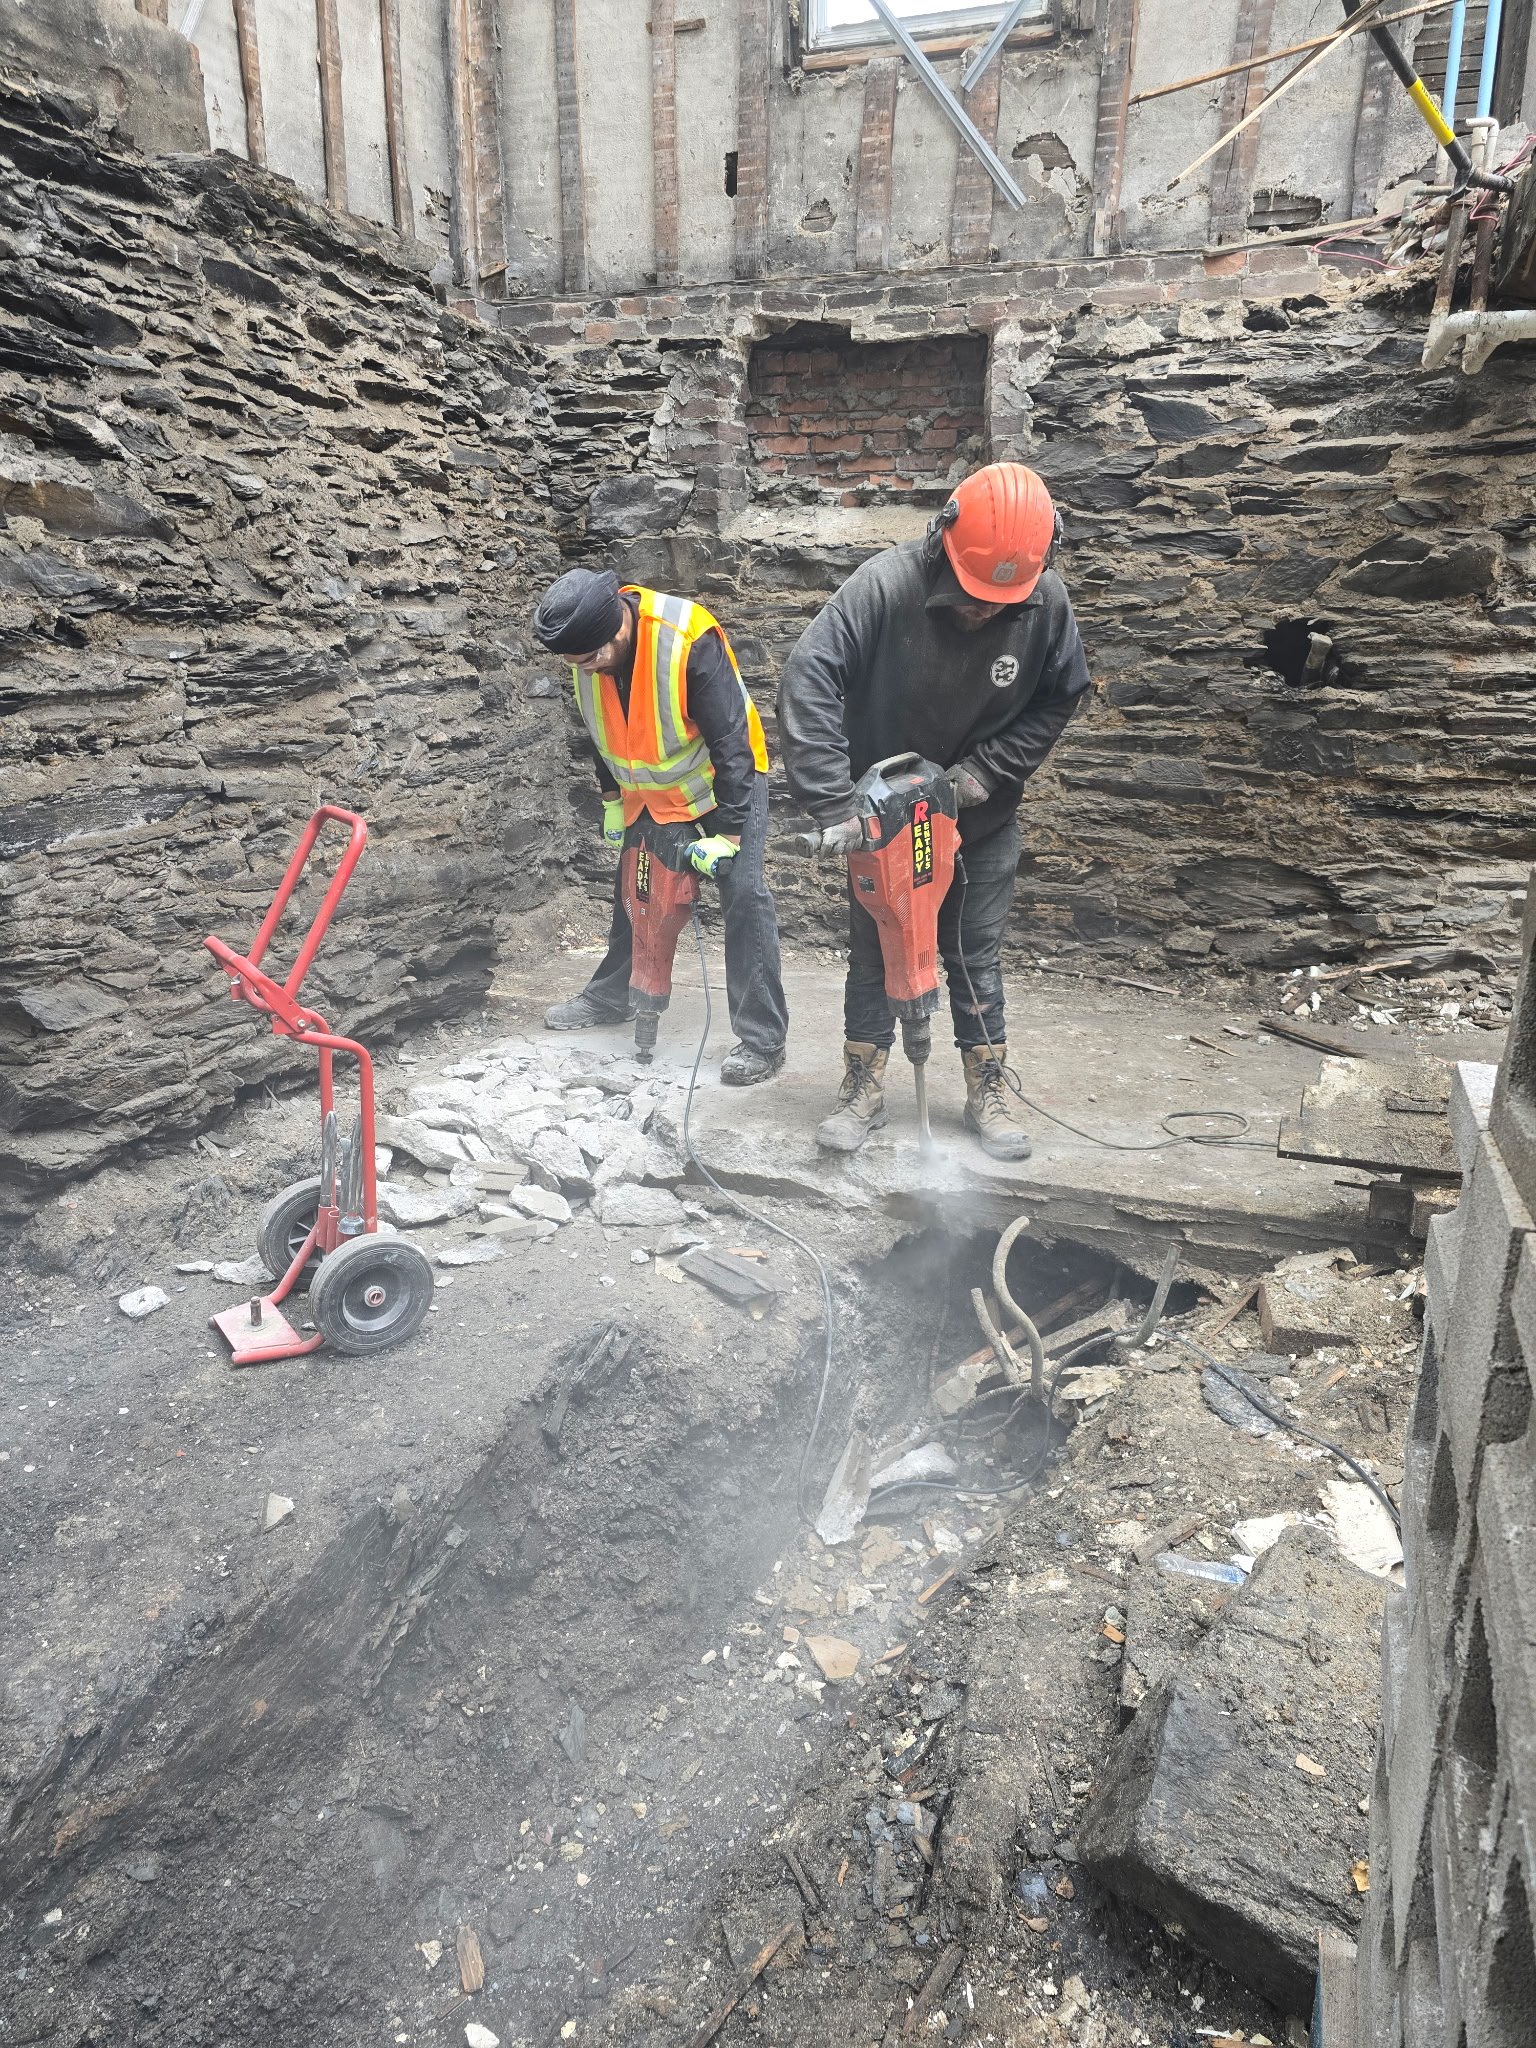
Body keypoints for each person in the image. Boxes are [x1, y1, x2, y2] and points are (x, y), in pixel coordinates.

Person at [778, 462, 1091, 1158]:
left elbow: (1060, 696)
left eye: (1001, 602)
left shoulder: (1045, 603)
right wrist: (835, 802)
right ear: (941, 541)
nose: (985, 611)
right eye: (975, 594)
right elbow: (809, 676)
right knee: (875, 954)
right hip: (886, 829)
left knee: (974, 956)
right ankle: (863, 1086)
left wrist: (987, 772)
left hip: (979, 822)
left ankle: (988, 1088)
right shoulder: (885, 587)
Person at [532, 567, 789, 1085]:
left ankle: (762, 1040)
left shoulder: (685, 638)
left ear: (618, 628)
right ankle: (612, 996)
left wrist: (729, 834)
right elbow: (603, 730)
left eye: (590, 658)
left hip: (719, 784)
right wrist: (611, 799)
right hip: (649, 791)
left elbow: (733, 742)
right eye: (576, 663)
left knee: (744, 893)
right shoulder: (588, 657)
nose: (585, 670)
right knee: (637, 887)